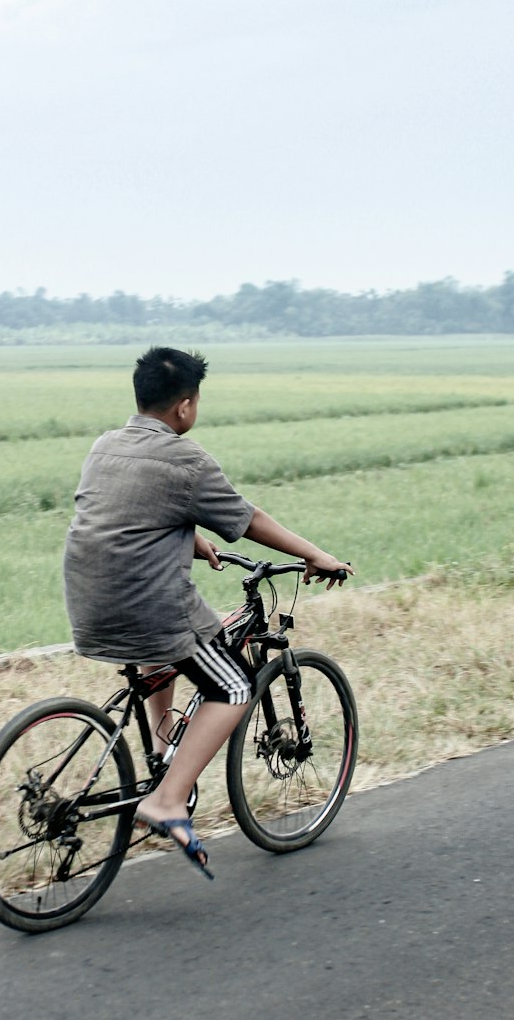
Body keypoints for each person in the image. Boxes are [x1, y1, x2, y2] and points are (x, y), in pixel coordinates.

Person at [62, 346, 353, 879]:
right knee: (235, 687)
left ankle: (162, 748)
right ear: (185, 407)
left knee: (166, 653)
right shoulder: (187, 461)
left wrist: (188, 538)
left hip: (86, 603)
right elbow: (247, 519)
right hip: (149, 607)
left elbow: (124, 511)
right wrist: (314, 555)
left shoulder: (105, 446)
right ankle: (168, 800)